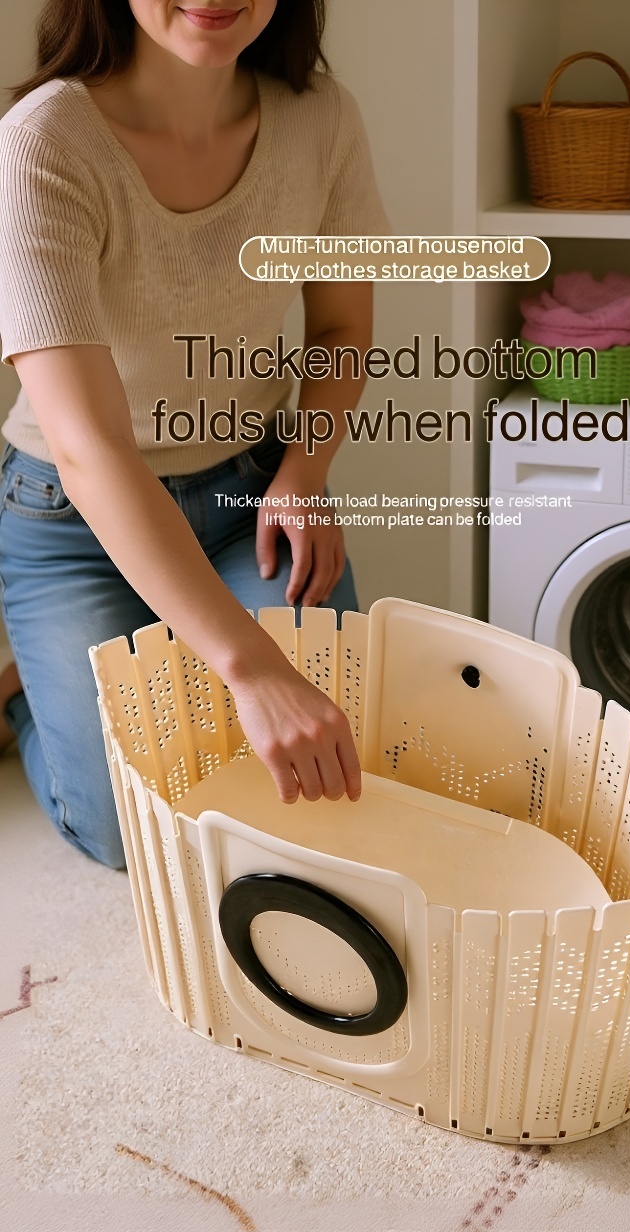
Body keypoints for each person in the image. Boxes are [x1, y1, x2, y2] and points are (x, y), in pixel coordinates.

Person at [0, 0, 389, 869]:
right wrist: (252, 670)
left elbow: (340, 333)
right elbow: (88, 449)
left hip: (249, 490)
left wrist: (304, 472)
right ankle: (26, 697)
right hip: (75, 520)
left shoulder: (322, 120)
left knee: (322, 776)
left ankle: (175, 652)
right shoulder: (43, 141)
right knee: (130, 833)